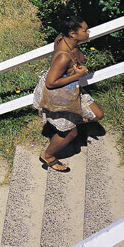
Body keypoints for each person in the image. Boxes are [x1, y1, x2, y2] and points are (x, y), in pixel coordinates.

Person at [33, 16, 104, 173]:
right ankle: (48, 156)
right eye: (84, 30)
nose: (88, 32)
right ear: (72, 33)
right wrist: (77, 75)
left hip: (71, 88)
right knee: (70, 133)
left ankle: (65, 127)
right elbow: (51, 83)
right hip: (59, 96)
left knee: (97, 114)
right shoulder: (64, 56)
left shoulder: (62, 38)